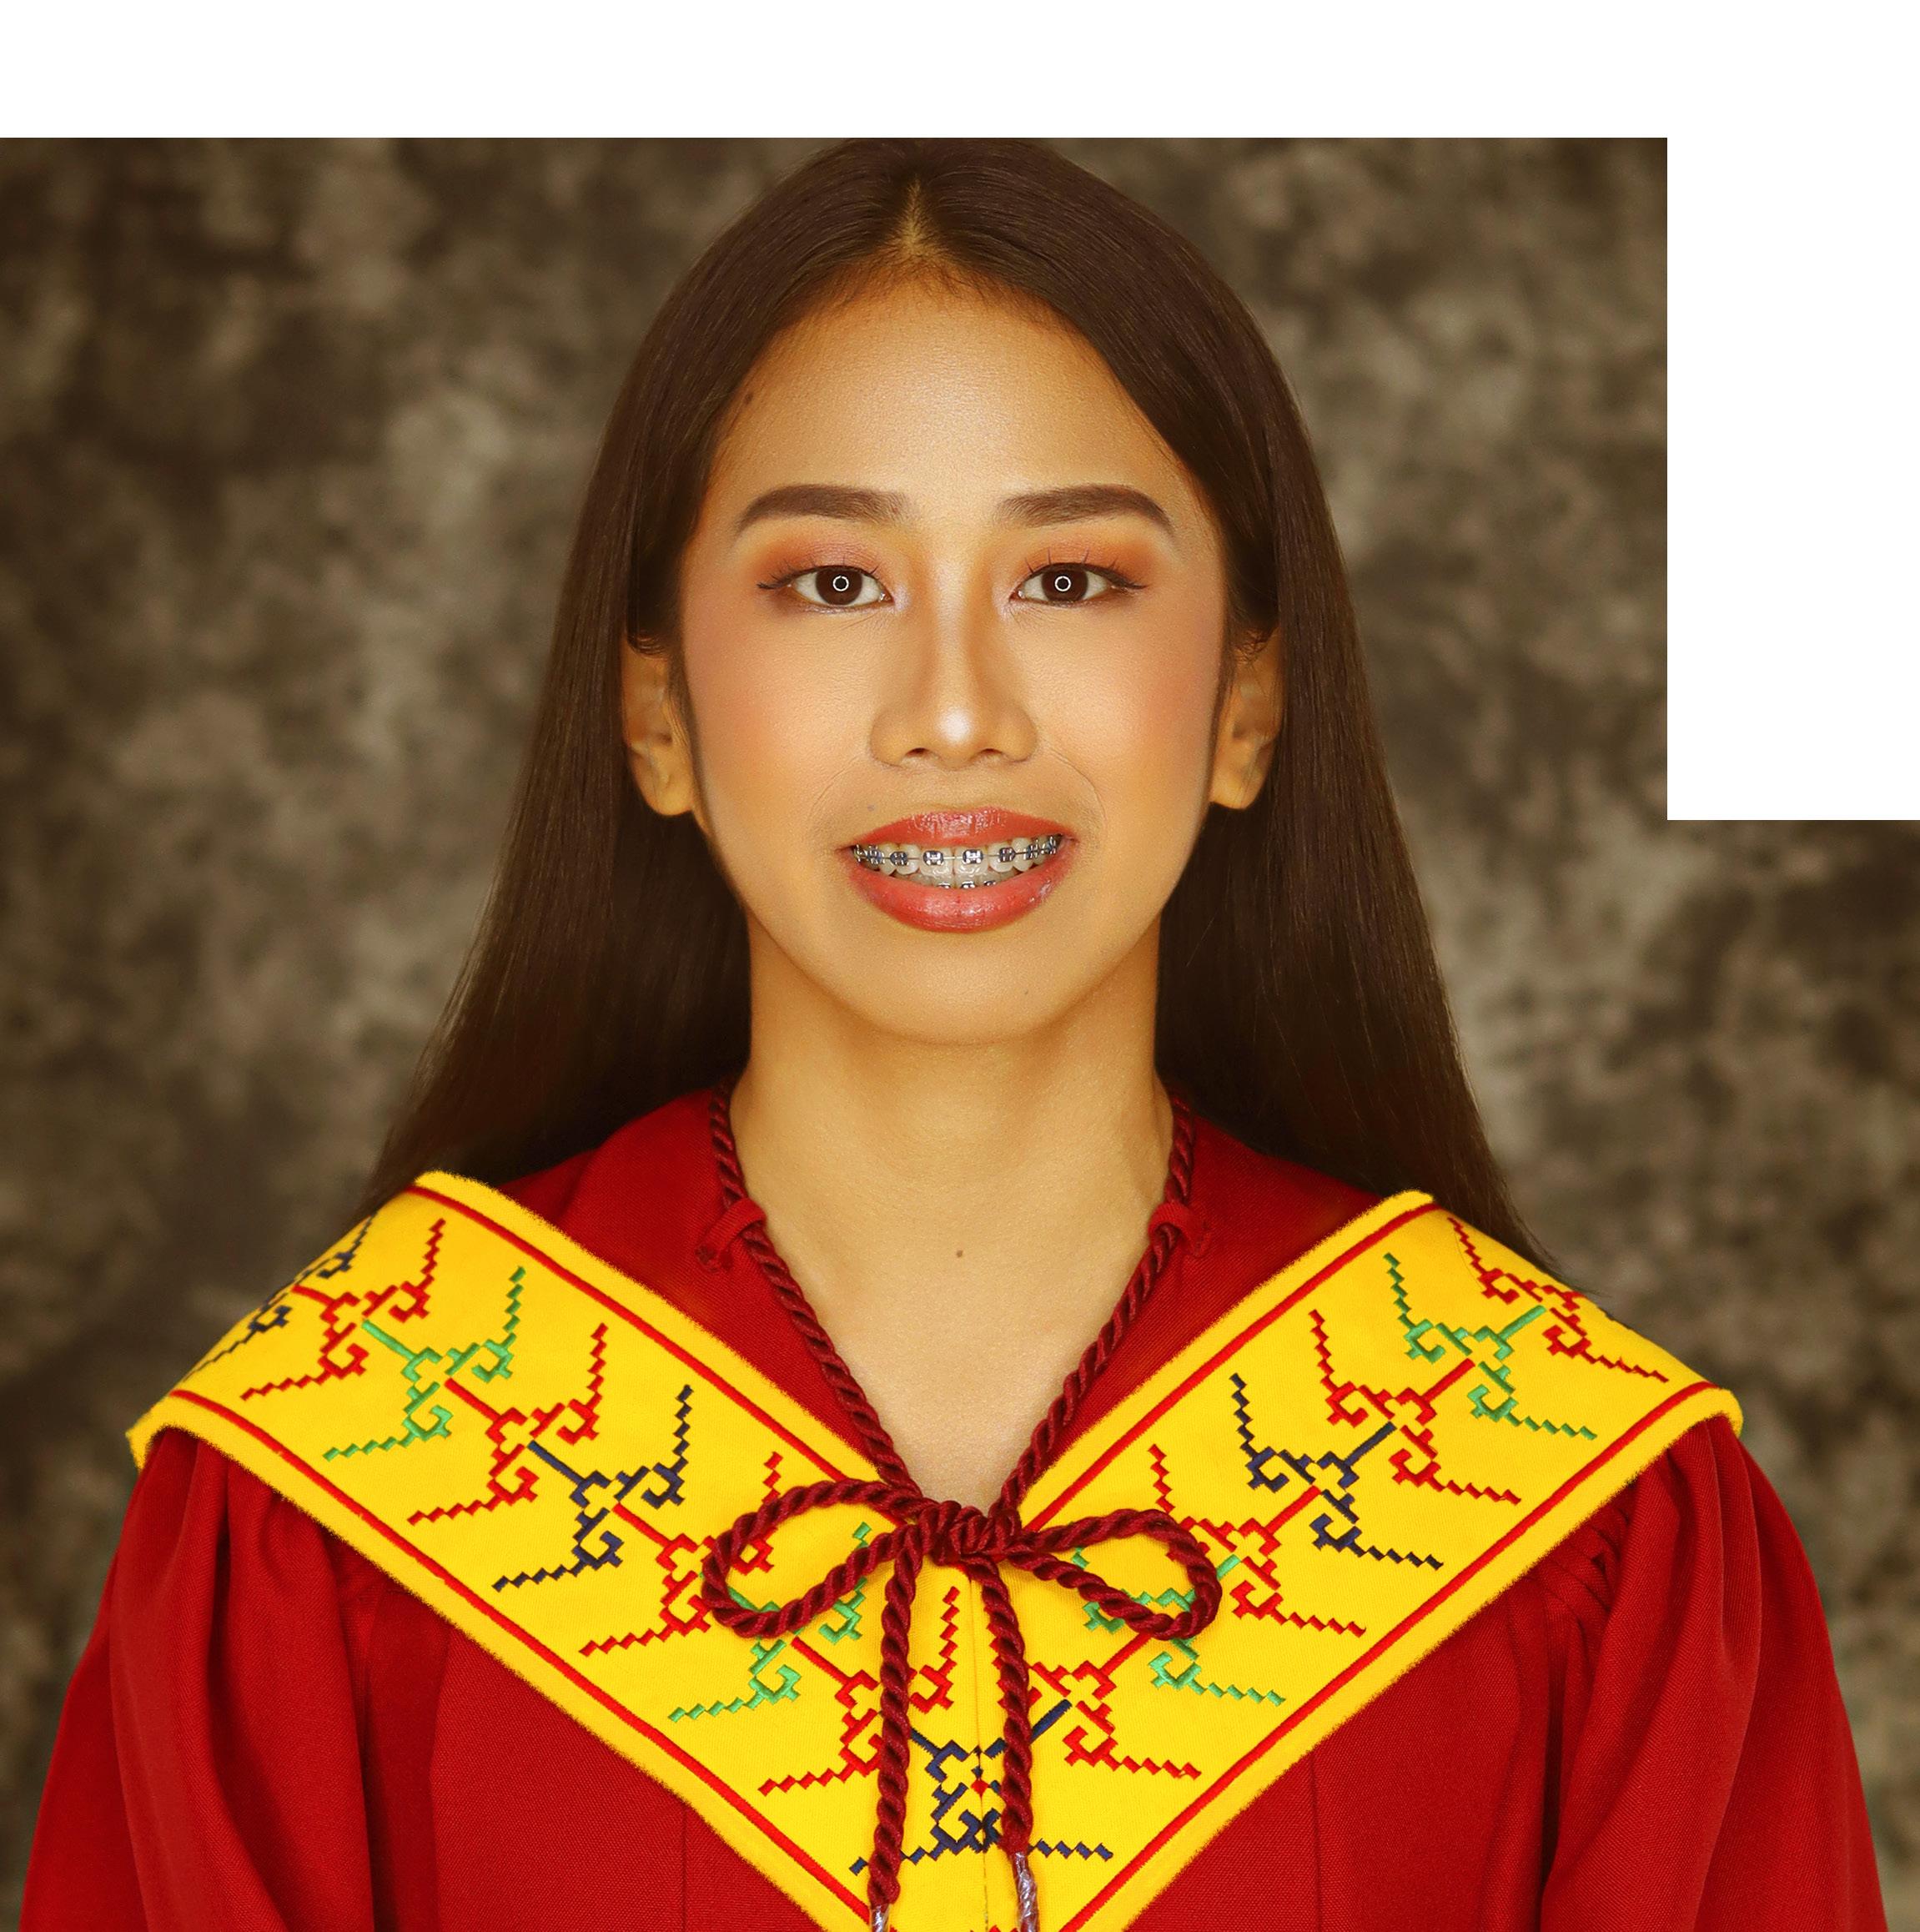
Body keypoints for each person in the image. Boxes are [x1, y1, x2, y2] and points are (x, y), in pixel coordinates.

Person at [22, 138, 1884, 1932]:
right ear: (653, 715)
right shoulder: (339, 1490)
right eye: (831, 582)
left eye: (1069, 580)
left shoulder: (1569, 1508)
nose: (953, 710)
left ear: (1248, 704)